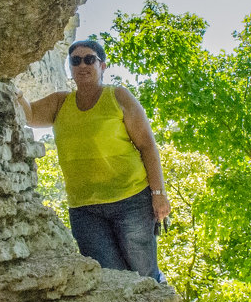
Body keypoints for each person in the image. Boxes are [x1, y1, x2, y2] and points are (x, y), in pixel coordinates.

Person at [15, 40, 170, 282]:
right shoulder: (60, 103)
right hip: (85, 209)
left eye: (89, 59)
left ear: (102, 66)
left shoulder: (118, 96)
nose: (82, 65)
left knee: (144, 274)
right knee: (109, 278)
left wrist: (158, 193)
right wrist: (13, 90)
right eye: (75, 61)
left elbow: (147, 145)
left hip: (131, 201)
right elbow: (30, 115)